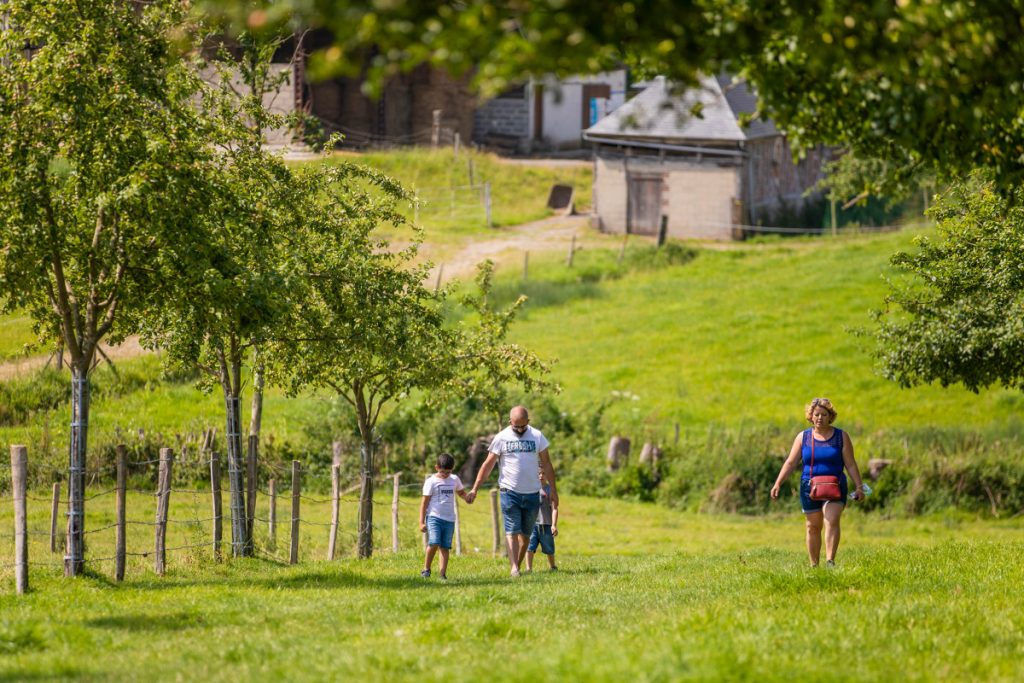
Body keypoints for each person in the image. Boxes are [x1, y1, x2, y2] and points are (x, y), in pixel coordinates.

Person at [771, 398, 866, 567]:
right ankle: (814, 565)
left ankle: (830, 561)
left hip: (835, 487)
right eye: (817, 414)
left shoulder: (841, 437)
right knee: (812, 527)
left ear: (831, 417)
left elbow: (850, 464)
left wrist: (859, 486)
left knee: (831, 519)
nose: (820, 418)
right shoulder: (803, 437)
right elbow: (791, 463)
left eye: (824, 414)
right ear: (811, 416)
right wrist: (778, 483)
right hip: (809, 487)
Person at [466, 405, 558, 577]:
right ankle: (514, 568)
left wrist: (553, 489)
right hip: (509, 492)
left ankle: (517, 565)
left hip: (532, 494)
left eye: (523, 426)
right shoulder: (502, 438)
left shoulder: (537, 436)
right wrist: (475, 488)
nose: (520, 429)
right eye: (517, 426)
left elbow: (547, 463)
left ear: (528, 422)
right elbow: (488, 465)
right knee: (512, 531)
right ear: (510, 422)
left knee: (525, 536)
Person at [419, 452, 470, 580]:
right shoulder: (431, 481)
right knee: (434, 542)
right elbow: (424, 502)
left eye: (448, 472)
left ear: (452, 469)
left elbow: (461, 492)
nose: (445, 475)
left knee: (445, 546)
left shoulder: (454, 479)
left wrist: (467, 497)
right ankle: (426, 569)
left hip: (449, 518)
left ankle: (442, 574)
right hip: (434, 517)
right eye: (443, 472)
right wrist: (421, 522)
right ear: (436, 467)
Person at [524, 468, 558, 572]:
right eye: (538, 473)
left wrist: (553, 525)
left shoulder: (550, 490)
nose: (541, 476)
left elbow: (554, 508)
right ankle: (528, 569)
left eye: (544, 473)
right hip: (532, 524)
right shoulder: (530, 489)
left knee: (549, 547)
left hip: (546, 524)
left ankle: (552, 567)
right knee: (529, 546)